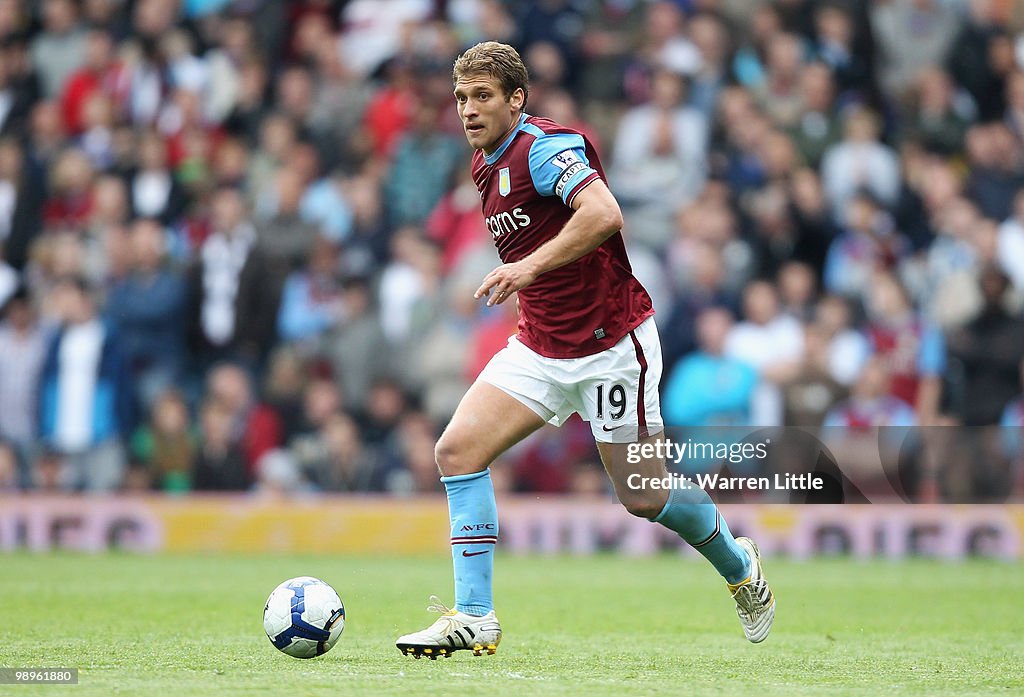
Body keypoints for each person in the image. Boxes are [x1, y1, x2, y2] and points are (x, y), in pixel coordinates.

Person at [395, 42, 775, 660]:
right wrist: (532, 282)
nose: (468, 109)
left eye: (482, 96)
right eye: (461, 97)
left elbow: (604, 213)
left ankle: (740, 563)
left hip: (610, 347)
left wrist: (527, 268)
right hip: (541, 345)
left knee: (644, 497)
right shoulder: (484, 165)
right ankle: (474, 617)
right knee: (457, 450)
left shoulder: (544, 148)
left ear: (517, 99)